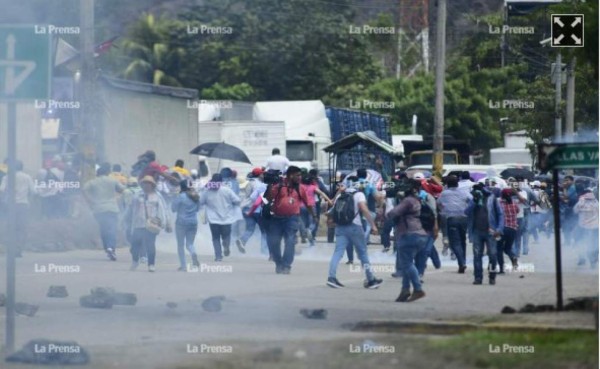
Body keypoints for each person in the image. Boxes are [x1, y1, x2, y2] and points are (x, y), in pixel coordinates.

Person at [326, 176, 383, 289]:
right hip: (355, 227)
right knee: (362, 253)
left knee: (338, 253)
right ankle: (370, 279)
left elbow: (331, 210)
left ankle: (331, 278)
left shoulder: (340, 196)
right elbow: (363, 208)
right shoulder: (359, 195)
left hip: (340, 227)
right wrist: (373, 225)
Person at [265, 166, 316, 274]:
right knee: (274, 242)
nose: (300, 177)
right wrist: (270, 186)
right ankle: (278, 264)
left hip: (292, 218)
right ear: (290, 175)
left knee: (290, 241)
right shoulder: (279, 186)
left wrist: (314, 215)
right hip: (277, 218)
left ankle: (287, 265)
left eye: (300, 175)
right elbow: (269, 198)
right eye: (297, 175)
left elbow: (307, 204)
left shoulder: (300, 188)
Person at [388, 179, 430, 302]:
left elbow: (393, 213)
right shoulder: (418, 200)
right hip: (420, 234)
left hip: (408, 234)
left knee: (406, 264)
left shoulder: (408, 201)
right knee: (409, 264)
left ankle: (418, 289)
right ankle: (405, 290)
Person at [124, 175, 169, 272]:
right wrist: (125, 219)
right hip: (138, 224)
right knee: (135, 245)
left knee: (150, 245)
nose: (146, 185)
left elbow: (162, 210)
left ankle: (151, 264)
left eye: (148, 183)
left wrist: (164, 223)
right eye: (144, 183)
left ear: (152, 185)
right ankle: (135, 261)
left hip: (151, 225)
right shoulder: (137, 195)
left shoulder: (157, 196)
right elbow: (130, 208)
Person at [83, 163, 125, 261]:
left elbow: (84, 189)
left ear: (98, 173)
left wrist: (90, 200)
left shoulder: (93, 182)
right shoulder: (112, 181)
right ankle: (111, 248)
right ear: (107, 172)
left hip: (99, 209)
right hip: (112, 208)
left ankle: (107, 248)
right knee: (112, 229)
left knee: (104, 229)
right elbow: (122, 189)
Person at [466, 183, 504, 285]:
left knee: (492, 255)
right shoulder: (474, 199)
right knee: (477, 255)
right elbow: (466, 212)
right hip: (477, 231)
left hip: (491, 231)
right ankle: (478, 278)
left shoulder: (492, 198)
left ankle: (492, 276)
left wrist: (499, 228)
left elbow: (500, 214)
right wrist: (474, 201)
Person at [199, 174, 241, 261]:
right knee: (226, 236)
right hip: (227, 218)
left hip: (213, 219)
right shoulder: (227, 190)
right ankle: (226, 245)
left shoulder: (207, 191)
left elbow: (200, 202)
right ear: (221, 181)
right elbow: (237, 200)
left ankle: (218, 257)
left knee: (215, 238)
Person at [0, 160, 36, 257]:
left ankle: (10, 248)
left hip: (10, 205)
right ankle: (18, 249)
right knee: (21, 228)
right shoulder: (27, 177)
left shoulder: (7, 177)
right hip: (22, 205)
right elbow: (33, 191)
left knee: (11, 227)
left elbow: (2, 190)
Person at [437, 175, 472, 273]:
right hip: (464, 218)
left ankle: (461, 263)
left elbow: (438, 203)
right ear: (457, 183)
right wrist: (467, 211)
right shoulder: (464, 192)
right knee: (462, 241)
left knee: (455, 242)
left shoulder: (444, 194)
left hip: (451, 219)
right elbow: (472, 201)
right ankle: (463, 261)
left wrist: (443, 211)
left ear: (447, 184)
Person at [171, 179, 200, 271]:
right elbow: (198, 209)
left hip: (181, 223)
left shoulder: (181, 197)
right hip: (193, 222)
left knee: (180, 245)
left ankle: (183, 266)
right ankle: (193, 253)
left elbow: (173, 209)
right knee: (190, 243)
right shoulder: (196, 196)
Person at [238, 168, 268, 253]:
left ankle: (243, 240)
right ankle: (264, 251)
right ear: (259, 175)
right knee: (264, 231)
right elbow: (257, 198)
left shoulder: (248, 182)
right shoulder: (260, 184)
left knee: (250, 228)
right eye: (262, 174)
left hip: (246, 208)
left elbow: (247, 196)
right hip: (257, 210)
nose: (263, 175)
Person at [573, 187, 599, 268]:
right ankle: (593, 261)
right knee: (594, 244)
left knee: (579, 241)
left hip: (582, 226)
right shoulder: (596, 202)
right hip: (595, 227)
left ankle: (582, 258)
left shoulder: (581, 202)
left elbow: (575, 211)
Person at [497, 189, 520, 274]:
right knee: (508, 248)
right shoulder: (514, 204)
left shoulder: (500, 204)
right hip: (513, 229)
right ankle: (513, 257)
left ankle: (501, 268)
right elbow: (518, 211)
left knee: (498, 248)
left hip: (502, 229)